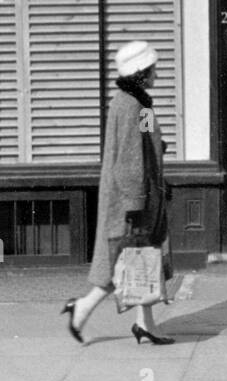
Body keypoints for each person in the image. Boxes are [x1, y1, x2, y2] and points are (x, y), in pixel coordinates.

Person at [62, 40, 174, 345]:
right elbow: (128, 159)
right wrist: (135, 201)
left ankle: (144, 324)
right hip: (132, 200)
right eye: (153, 69)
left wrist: (157, 148)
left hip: (142, 194)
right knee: (125, 260)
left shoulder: (139, 101)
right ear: (140, 71)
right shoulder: (131, 105)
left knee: (141, 259)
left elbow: (145, 143)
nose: (157, 75)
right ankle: (82, 309)